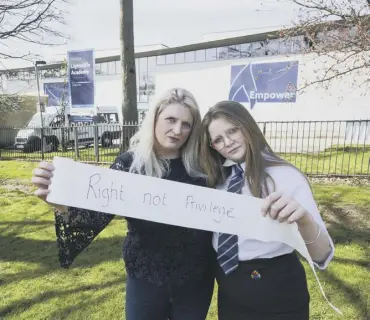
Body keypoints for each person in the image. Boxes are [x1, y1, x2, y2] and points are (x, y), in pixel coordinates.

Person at [31, 88, 215, 320]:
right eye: (171, 119)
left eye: (186, 124)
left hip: (195, 281)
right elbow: (95, 217)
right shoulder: (130, 165)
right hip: (146, 277)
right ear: (154, 119)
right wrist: (59, 203)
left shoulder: (203, 167)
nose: (177, 130)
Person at [199, 100, 335, 320]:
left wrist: (304, 220)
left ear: (247, 125)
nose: (228, 142)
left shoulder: (285, 176)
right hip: (230, 292)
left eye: (232, 130)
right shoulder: (218, 181)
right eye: (217, 140)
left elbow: (323, 255)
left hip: (277, 293)